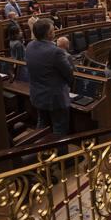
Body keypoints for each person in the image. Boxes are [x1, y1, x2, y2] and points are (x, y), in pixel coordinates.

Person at [25, 18, 75, 154]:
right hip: (55, 98)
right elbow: (69, 74)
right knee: (59, 129)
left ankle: (40, 155)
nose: (55, 32)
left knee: (42, 126)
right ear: (48, 34)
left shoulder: (29, 46)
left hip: (37, 95)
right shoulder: (56, 52)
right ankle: (63, 160)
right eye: (53, 30)